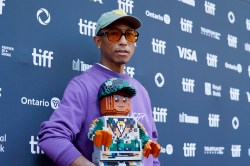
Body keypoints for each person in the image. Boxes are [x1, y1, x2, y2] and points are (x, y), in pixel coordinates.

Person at [38, 9, 160, 166]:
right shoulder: (82, 85)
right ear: (98, 41)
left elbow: (152, 152)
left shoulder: (141, 90)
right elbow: (52, 137)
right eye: (114, 34)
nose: (123, 41)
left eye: (129, 35)